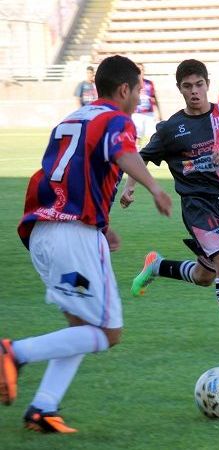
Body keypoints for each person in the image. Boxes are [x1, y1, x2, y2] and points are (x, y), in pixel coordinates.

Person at [0, 55, 172, 433]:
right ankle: (14, 353)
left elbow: (70, 173)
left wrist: (102, 223)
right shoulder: (115, 118)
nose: (138, 96)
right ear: (123, 89)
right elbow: (123, 152)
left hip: (45, 232)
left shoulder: (72, 118)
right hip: (73, 235)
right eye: (138, 89)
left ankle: (43, 408)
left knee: (80, 325)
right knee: (108, 333)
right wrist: (155, 187)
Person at [120, 59, 219, 352]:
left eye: (199, 84)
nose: (194, 91)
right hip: (197, 206)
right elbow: (141, 156)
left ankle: (156, 266)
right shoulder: (172, 128)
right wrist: (130, 187)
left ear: (207, 84)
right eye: (187, 87)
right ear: (180, 89)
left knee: (205, 276)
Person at [132, 63, 163, 148]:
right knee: (137, 136)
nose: (140, 71)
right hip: (137, 113)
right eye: (138, 70)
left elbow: (154, 98)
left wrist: (158, 112)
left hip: (149, 113)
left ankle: (149, 153)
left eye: (142, 69)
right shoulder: (132, 84)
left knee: (152, 135)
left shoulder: (149, 83)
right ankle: (137, 152)